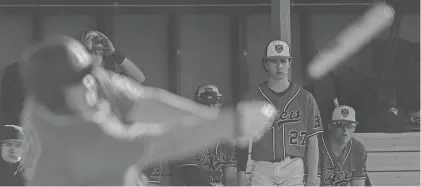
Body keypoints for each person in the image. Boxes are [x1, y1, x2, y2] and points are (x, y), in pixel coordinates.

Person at [18, 35, 276, 186]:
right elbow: (162, 143)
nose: (91, 81)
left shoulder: (87, 82)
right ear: (58, 96)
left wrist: (212, 118)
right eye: (80, 80)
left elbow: (147, 102)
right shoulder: (70, 142)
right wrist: (231, 123)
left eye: (88, 73)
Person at [236, 40, 322, 186]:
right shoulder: (252, 98)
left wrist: (313, 176)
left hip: (293, 166)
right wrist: (241, 173)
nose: (280, 66)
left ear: (290, 63)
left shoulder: (305, 98)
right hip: (262, 168)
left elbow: (313, 141)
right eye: (274, 61)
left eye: (283, 61)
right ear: (265, 64)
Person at [170, 84, 237, 186]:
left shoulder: (226, 139)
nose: (210, 107)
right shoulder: (188, 135)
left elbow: (231, 176)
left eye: (214, 103)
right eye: (205, 103)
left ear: (219, 105)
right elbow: (190, 178)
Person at [318, 98, 368, 186]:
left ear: (355, 127)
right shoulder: (317, 146)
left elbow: (358, 184)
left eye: (350, 125)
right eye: (339, 124)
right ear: (330, 126)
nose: (345, 129)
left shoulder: (358, 150)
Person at [79, 30, 146, 83]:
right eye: (88, 51)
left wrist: (114, 53)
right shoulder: (78, 81)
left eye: (96, 40)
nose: (94, 51)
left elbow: (139, 79)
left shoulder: (110, 80)